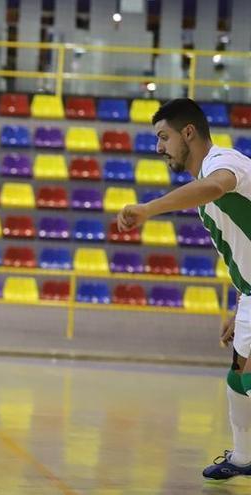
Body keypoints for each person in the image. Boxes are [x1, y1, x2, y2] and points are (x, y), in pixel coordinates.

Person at [115, 98, 251, 481]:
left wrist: (148, 209)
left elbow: (217, 186)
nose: (159, 148)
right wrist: (241, 302)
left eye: (164, 137)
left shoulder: (222, 163)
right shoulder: (203, 184)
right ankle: (243, 458)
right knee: (238, 376)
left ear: (188, 132)